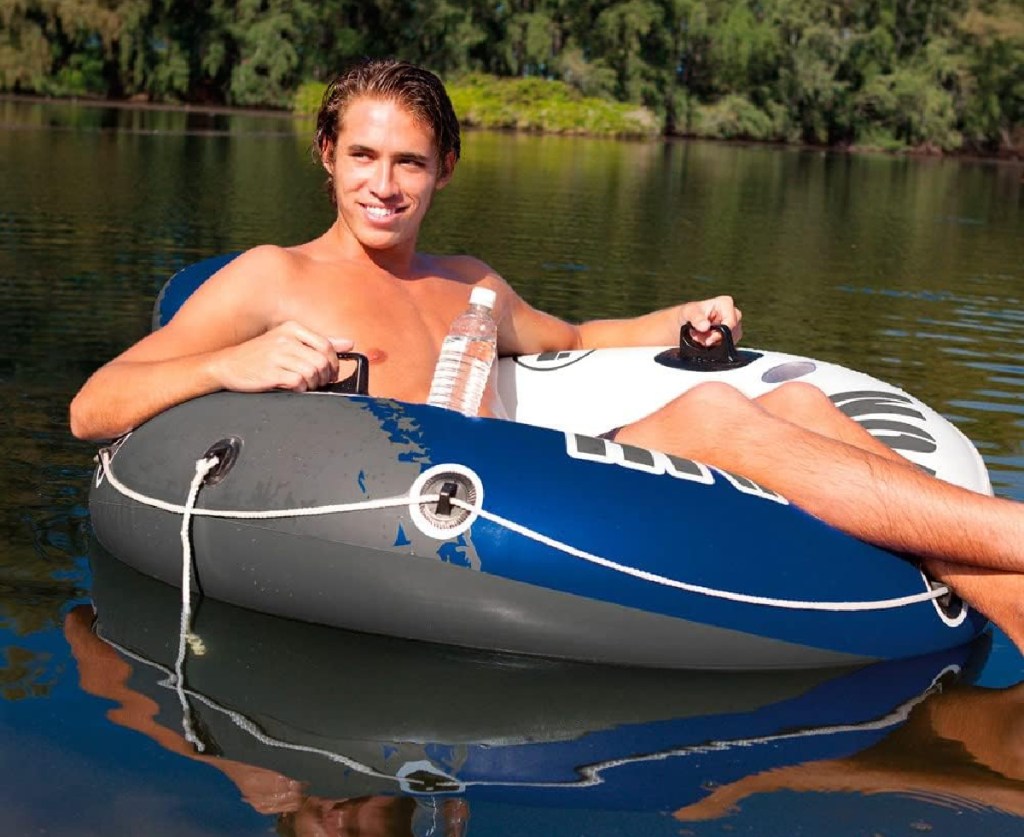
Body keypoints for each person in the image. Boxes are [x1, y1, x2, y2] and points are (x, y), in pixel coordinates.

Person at [69, 59, 1024, 648]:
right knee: (717, 418)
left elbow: (575, 341)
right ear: (326, 153)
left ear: (444, 167)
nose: (384, 185)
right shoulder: (269, 278)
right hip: (425, 516)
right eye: (364, 155)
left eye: (409, 162)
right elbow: (93, 407)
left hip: (545, 474)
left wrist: (680, 317)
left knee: (808, 410)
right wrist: (228, 365)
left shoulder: (469, 283)